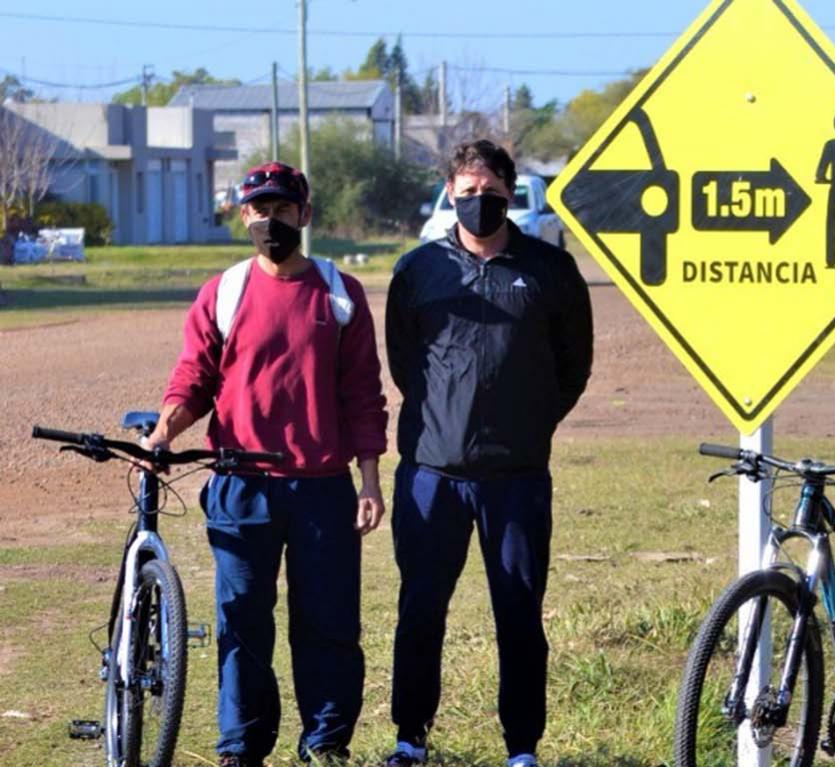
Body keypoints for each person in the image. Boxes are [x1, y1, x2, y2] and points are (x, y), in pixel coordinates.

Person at [146, 161, 388, 767]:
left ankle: (326, 742)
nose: (270, 220)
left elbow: (363, 392)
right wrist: (164, 430)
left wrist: (370, 480)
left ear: (304, 215)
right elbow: (194, 378)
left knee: (329, 623)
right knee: (241, 621)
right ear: (243, 218)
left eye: (282, 209)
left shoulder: (339, 293)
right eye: (259, 210)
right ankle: (241, 746)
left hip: (322, 490)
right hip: (240, 485)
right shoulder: (223, 293)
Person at [383, 139, 594, 767]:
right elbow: (404, 362)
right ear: (450, 193)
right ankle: (410, 738)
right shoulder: (418, 271)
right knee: (420, 610)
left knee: (520, 614)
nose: (480, 203)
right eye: (468, 193)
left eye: (492, 193)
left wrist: (527, 423)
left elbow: (573, 366)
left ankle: (522, 747)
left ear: (510, 191)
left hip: (517, 476)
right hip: (431, 472)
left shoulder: (550, 271)